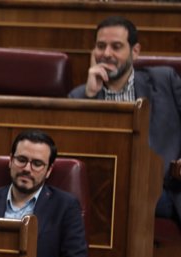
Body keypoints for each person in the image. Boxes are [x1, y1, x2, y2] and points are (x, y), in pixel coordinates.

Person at [69, 16, 181, 226]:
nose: (107, 54)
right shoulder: (79, 97)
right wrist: (91, 97)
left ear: (135, 51)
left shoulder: (163, 80)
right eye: (101, 46)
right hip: (104, 190)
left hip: (162, 188)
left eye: (116, 46)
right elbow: (76, 150)